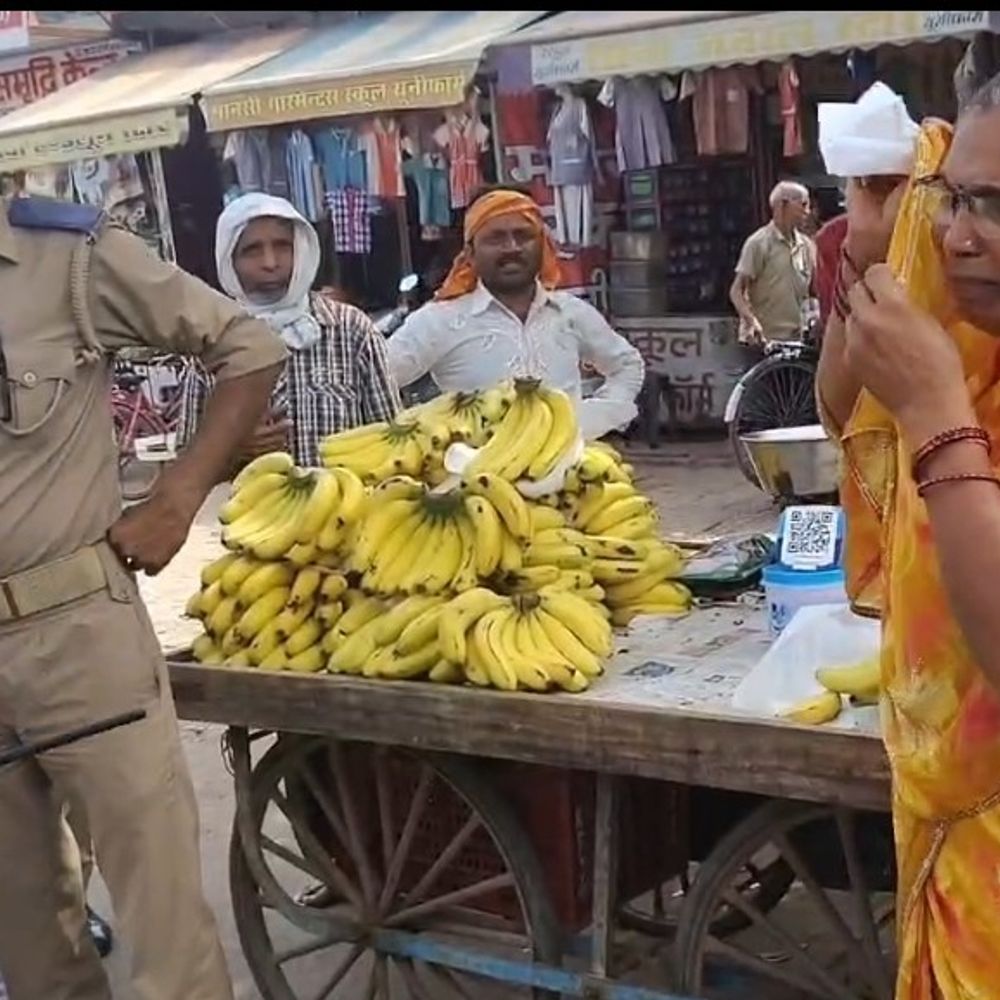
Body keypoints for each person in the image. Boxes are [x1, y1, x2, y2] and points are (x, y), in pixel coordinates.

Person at [0, 194, 285, 999]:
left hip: (75, 634)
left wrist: (179, 494)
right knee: (28, 936)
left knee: (164, 933)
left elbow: (246, 345)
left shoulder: (64, 256)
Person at [817, 83, 1000, 998]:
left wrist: (938, 416)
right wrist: (868, 256)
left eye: (998, 206)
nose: (963, 236)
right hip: (947, 816)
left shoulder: (952, 381)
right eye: (959, 200)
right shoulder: (967, 343)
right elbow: (848, 416)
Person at [386, 186, 644, 438]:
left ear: (542, 245)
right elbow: (375, 379)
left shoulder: (570, 313)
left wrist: (593, 418)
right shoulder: (439, 320)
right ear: (470, 254)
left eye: (523, 236)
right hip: (478, 476)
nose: (512, 248)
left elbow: (627, 365)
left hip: (572, 473)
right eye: (495, 238)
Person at [177, 193, 400, 468]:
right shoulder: (212, 346)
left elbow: (393, 441)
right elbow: (185, 467)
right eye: (252, 250)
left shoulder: (352, 332)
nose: (270, 262)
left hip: (346, 508)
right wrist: (234, 450)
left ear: (302, 249)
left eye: (282, 246)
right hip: (251, 509)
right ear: (229, 260)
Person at [730, 180, 817, 343]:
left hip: (797, 338)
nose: (808, 212)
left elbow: (815, 290)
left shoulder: (805, 245)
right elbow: (736, 291)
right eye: (803, 205)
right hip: (764, 339)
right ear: (783, 205)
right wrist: (751, 321)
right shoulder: (759, 243)